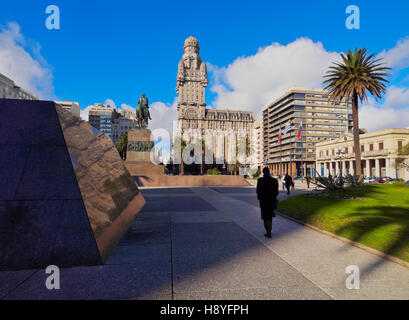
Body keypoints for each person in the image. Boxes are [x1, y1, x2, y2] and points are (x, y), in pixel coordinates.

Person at [256, 167, 279, 238]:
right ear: (269, 171)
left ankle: (268, 232)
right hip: (271, 201)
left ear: (263, 172)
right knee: (270, 216)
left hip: (263, 201)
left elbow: (258, 191)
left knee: (265, 217)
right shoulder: (274, 180)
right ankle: (269, 231)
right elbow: (276, 191)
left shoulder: (260, 180)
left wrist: (260, 198)